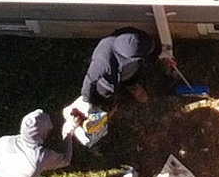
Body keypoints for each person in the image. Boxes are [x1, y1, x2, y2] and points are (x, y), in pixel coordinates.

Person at [77, 27, 209, 115]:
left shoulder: (139, 41)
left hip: (129, 65)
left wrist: (163, 55)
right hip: (120, 69)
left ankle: (132, 85)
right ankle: (127, 86)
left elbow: (154, 49)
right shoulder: (98, 69)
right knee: (124, 78)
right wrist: (87, 102)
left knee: (134, 72)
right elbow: (87, 87)